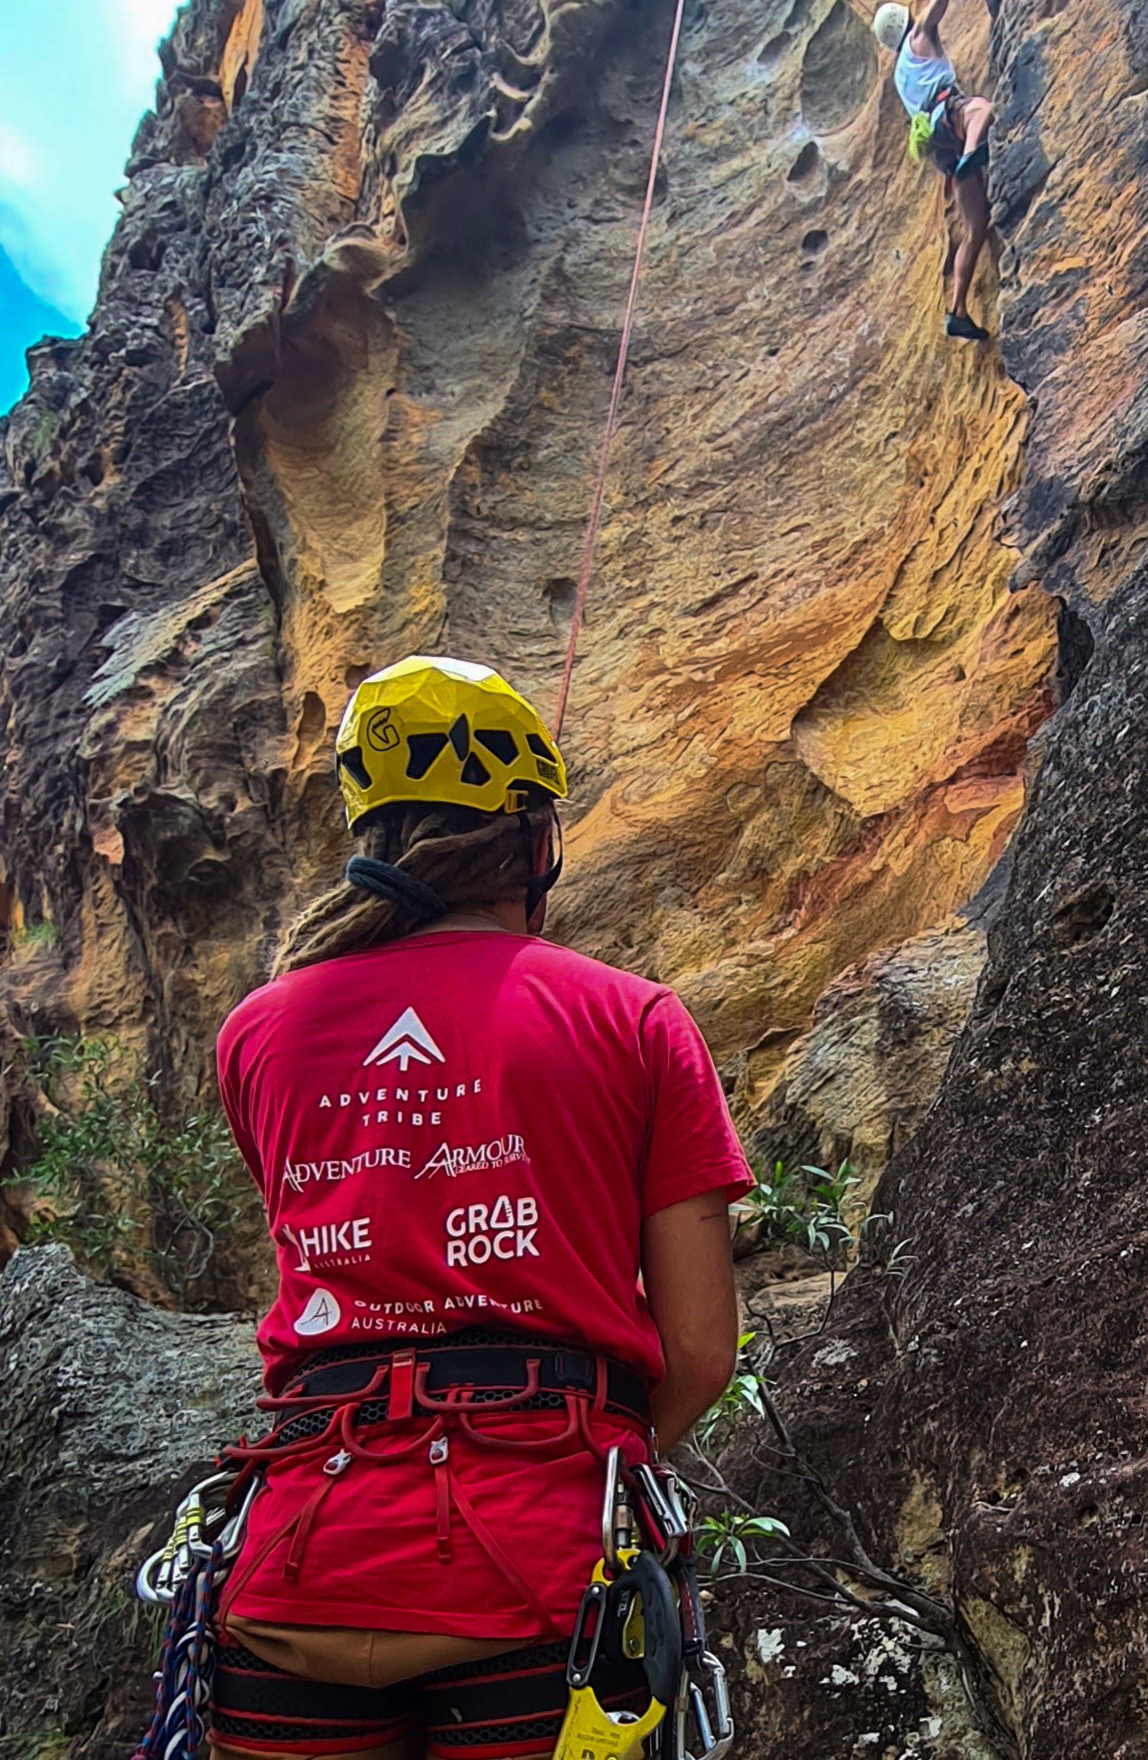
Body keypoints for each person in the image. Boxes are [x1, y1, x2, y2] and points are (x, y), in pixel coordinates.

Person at [209, 653, 751, 1760]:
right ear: (534, 838)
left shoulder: (257, 1033)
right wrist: (584, 1454)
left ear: (371, 829)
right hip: (543, 1563)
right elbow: (698, 1353)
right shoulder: (634, 1021)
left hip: (301, 1553)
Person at [874, 0, 994, 344]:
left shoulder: (898, 75)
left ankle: (958, 311)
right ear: (906, 17)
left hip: (940, 149)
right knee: (981, 110)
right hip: (950, 118)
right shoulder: (921, 33)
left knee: (975, 228)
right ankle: (973, 152)